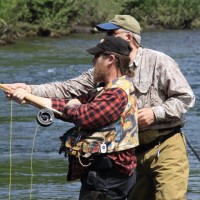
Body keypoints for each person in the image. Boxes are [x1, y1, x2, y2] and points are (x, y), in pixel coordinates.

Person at [5, 15, 195, 200]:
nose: (104, 39)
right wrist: (29, 90)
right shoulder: (103, 69)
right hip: (129, 154)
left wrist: (155, 113)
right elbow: (67, 88)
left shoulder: (159, 61)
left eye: (111, 34)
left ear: (128, 37)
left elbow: (186, 98)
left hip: (165, 144)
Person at [9, 36, 139, 200]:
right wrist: (27, 96)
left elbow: (84, 116)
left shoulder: (116, 93)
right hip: (103, 176)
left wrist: (72, 105)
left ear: (110, 59)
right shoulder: (105, 89)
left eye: (96, 56)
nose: (93, 61)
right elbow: (61, 105)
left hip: (108, 178)